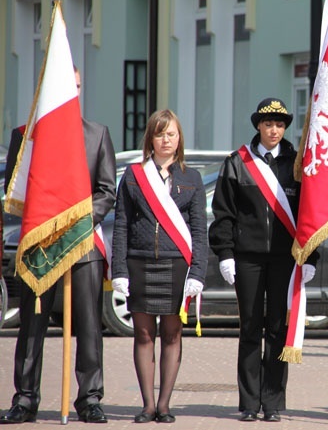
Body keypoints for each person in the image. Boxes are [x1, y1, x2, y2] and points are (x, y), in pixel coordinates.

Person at [0, 67, 116, 424]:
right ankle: (26, 398)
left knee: (89, 324)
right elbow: (14, 191)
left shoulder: (96, 135)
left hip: (84, 247)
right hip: (41, 248)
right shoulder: (25, 137)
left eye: (76, 85)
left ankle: (90, 398)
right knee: (32, 325)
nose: (71, 91)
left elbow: (107, 190)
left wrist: (77, 226)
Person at [209, 98, 318, 422]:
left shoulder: (297, 163)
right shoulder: (237, 162)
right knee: (250, 328)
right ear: (258, 125)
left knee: (277, 330)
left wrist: (310, 255)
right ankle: (248, 403)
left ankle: (272, 403)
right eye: (269, 124)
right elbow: (224, 213)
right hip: (248, 259)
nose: (274, 130)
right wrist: (225, 253)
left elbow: (310, 214)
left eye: (280, 124)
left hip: (285, 259)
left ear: (286, 128)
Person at [110, 109, 208, 424]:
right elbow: (121, 225)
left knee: (172, 332)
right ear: (150, 137)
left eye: (171, 134)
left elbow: (199, 232)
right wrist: (119, 271)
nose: (166, 140)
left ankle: (164, 405)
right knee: (142, 333)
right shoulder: (133, 175)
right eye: (160, 133)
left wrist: (198, 273)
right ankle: (147, 405)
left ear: (179, 139)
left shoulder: (191, 178)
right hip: (139, 262)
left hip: (176, 264)